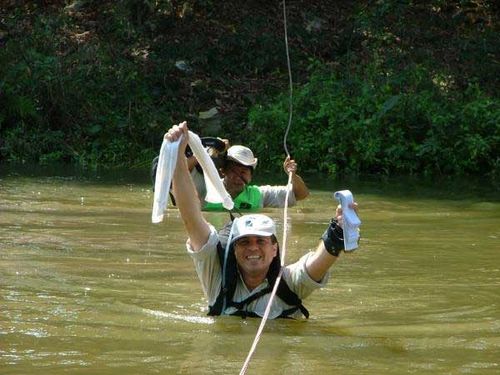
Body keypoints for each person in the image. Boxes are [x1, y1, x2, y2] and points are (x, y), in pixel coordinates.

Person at [167, 121, 360, 319]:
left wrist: (338, 232)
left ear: (275, 249)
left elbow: (319, 261)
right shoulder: (216, 278)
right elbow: (189, 214)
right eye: (244, 241)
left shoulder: (290, 282)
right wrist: (179, 151)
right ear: (233, 248)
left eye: (261, 241)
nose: (253, 248)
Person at [203, 144, 309, 211]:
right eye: (234, 171)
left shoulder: (259, 194)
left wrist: (292, 175)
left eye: (244, 172)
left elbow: (301, 194)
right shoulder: (206, 190)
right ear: (223, 171)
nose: (238, 178)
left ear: (251, 175)